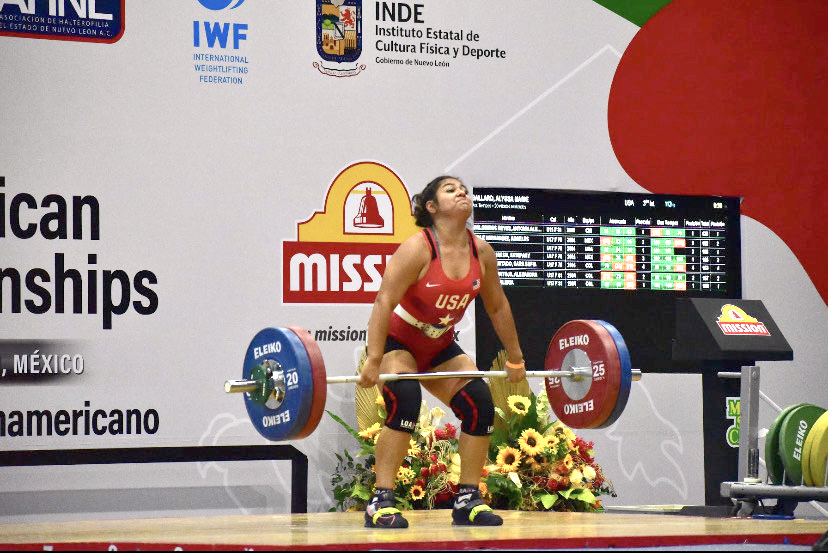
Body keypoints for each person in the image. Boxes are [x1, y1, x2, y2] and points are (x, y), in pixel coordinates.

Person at [357, 175, 526, 528]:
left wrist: (515, 357)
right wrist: (374, 358)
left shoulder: (482, 252)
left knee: (479, 402)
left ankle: (468, 499)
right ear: (431, 208)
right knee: (404, 399)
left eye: (463, 188)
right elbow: (384, 301)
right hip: (397, 341)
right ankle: (381, 500)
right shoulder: (419, 248)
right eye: (451, 189)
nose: (461, 191)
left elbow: (497, 307)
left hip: (439, 345)